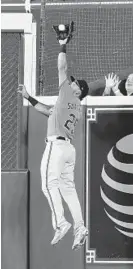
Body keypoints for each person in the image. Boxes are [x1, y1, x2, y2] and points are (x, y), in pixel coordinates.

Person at [18, 31, 89, 250]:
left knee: (48, 184)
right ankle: (80, 227)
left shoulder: (69, 93)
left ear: (79, 90)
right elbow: (49, 111)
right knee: (68, 189)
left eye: (76, 83)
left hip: (57, 147)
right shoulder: (76, 107)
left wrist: (62, 45)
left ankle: (60, 223)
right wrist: (29, 98)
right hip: (68, 150)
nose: (72, 82)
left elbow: (62, 68)